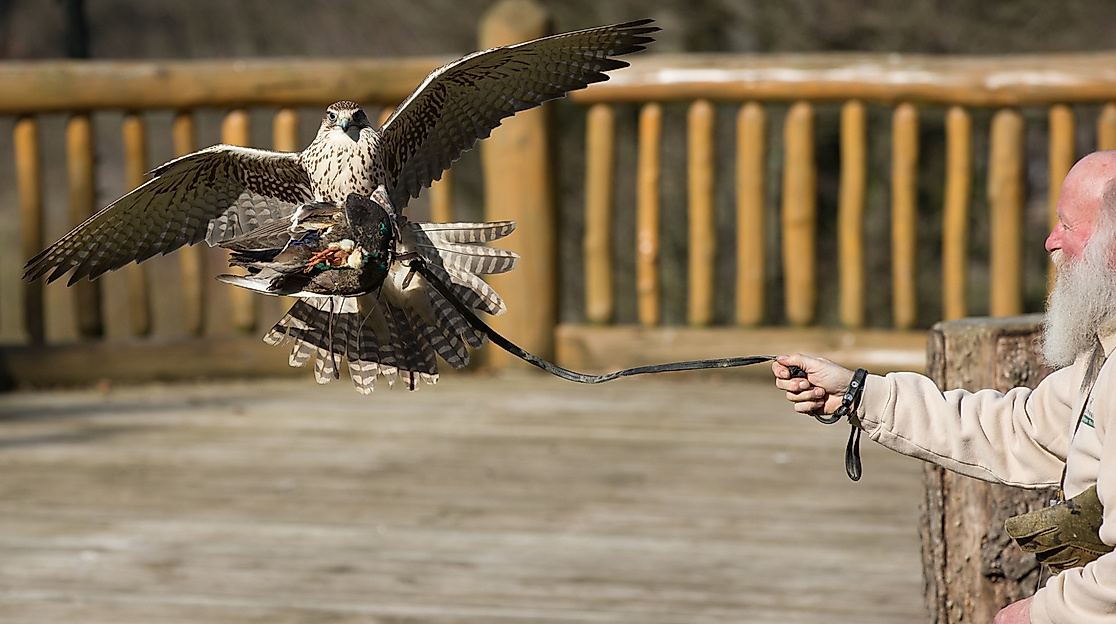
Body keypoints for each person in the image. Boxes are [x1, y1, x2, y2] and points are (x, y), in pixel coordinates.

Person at [773, 150, 1116, 624]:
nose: (1050, 242)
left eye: (1067, 226)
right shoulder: (1105, 347)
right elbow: (1021, 429)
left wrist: (1043, 613)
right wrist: (858, 393)